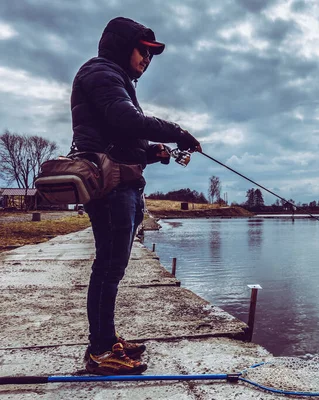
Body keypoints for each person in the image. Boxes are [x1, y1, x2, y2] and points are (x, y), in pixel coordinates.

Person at [71, 16, 201, 375]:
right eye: (143, 50)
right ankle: (100, 352)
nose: (147, 59)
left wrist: (151, 153)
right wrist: (178, 132)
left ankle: (106, 338)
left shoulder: (116, 78)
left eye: (151, 54)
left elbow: (120, 137)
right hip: (111, 190)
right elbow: (125, 119)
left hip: (122, 186)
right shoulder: (102, 73)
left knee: (112, 267)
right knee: (108, 268)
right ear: (121, 45)